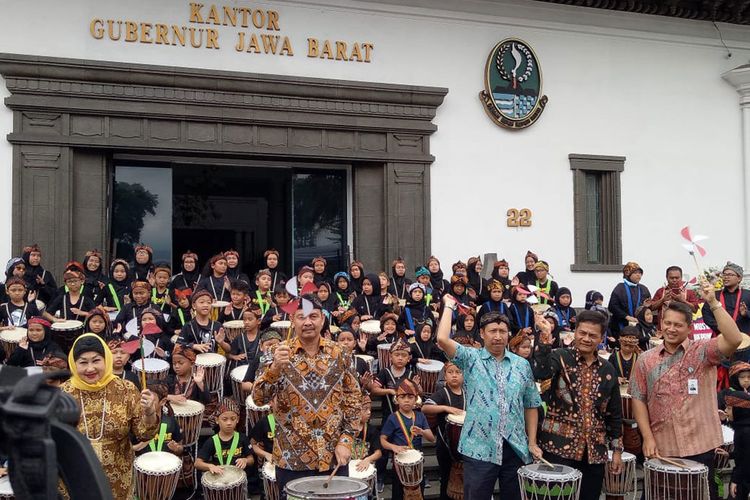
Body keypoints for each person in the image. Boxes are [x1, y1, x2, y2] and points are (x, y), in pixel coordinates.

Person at [631, 278, 743, 500]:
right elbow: (638, 399)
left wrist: (713, 302)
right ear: (660, 323)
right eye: (667, 323)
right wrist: (648, 438)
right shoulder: (645, 360)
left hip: (700, 446)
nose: (671, 329)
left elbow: (734, 338)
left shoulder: (704, 352)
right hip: (662, 447)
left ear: (689, 328)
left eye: (678, 325)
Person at [252, 294, 360, 497]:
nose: (308, 322)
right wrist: (274, 368)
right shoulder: (275, 353)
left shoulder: (341, 353)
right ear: (293, 320)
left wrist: (346, 440)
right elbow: (259, 398)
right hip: (291, 458)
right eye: (301, 317)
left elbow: (354, 399)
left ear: (323, 319)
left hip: (334, 455)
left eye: (313, 316)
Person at [436, 296, 542, 500]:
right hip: (479, 448)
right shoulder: (470, 358)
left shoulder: (522, 365)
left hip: (515, 447)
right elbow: (442, 339)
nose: (498, 336)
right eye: (492, 331)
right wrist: (448, 306)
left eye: (503, 331)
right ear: (482, 334)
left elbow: (531, 405)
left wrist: (532, 442)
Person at [533, 309, 623, 500]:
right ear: (575, 332)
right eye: (582, 333)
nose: (586, 339)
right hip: (558, 447)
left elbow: (614, 413)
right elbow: (541, 373)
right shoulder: (560, 356)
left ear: (601, 338)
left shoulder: (608, 369)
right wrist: (545, 336)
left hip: (594, 452)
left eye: (593, 335)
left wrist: (616, 450)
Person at [61, 333, 159, 498]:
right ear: (73, 363)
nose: (90, 368)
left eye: (96, 360)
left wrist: (149, 413)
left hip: (117, 480)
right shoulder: (62, 394)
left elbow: (144, 433)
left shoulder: (125, 389)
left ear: (106, 360)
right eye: (83, 362)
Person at [380, 379, 435, 500]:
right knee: (399, 494)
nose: (406, 400)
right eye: (402, 397)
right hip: (399, 465)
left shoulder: (420, 416)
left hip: (417, 464)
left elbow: (431, 439)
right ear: (397, 399)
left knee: (418, 494)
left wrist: (422, 432)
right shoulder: (393, 418)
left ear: (415, 400)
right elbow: (382, 440)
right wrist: (393, 447)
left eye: (410, 397)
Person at [422, 362, 465, 500]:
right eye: (450, 372)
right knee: (446, 478)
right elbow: (425, 408)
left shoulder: (467, 394)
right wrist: (446, 408)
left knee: (464, 480)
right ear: (445, 376)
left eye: (458, 372)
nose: (454, 375)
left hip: (465, 445)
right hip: (445, 445)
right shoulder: (442, 393)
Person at [196, 398, 254, 483]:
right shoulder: (211, 441)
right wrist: (210, 466)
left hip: (237, 479)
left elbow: (251, 459)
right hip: (219, 480)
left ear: (237, 420)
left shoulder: (242, 438)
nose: (229, 423)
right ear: (217, 420)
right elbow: (197, 463)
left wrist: (245, 460)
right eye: (224, 419)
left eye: (233, 419)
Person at [718, 361, 750, 500]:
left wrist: (736, 480)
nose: (726, 411)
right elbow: (742, 453)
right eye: (742, 377)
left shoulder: (745, 432)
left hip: (744, 479)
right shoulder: (743, 426)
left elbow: (746, 460)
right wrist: (729, 454)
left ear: (739, 411)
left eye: (730, 409)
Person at [132, 381, 184, 457]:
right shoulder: (135, 422)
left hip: (165, 466)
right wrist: (138, 447)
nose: (147, 403)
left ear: (163, 401)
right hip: (143, 465)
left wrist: (177, 449)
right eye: (143, 399)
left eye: (151, 400)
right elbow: (124, 450)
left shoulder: (170, 422)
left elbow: (180, 448)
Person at [701, 262, 750, 335]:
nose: (726, 277)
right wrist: (720, 327)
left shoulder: (747, 294)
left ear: (739, 278)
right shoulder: (714, 295)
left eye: (730, 274)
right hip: (721, 337)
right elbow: (706, 313)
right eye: (724, 274)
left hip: (744, 338)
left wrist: (746, 313)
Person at [177, 289, 229, 354]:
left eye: (209, 302)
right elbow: (178, 346)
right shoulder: (188, 326)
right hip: (194, 362)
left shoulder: (217, 325)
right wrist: (193, 346)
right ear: (194, 306)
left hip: (212, 361)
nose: (205, 305)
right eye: (201, 302)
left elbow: (228, 349)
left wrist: (221, 342)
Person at [608, 261, 651, 338]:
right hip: (621, 325)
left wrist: (645, 307)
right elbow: (612, 306)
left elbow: (648, 308)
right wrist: (626, 316)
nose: (639, 275)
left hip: (639, 326)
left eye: (640, 273)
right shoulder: (620, 288)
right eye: (635, 273)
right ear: (627, 274)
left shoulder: (644, 289)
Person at [650, 266, 700, 330]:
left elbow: (695, 310)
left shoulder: (689, 292)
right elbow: (652, 308)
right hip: (664, 330)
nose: (674, 280)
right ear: (667, 278)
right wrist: (662, 300)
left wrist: (683, 301)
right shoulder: (661, 291)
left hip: (684, 331)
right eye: (671, 278)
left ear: (681, 278)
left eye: (677, 278)